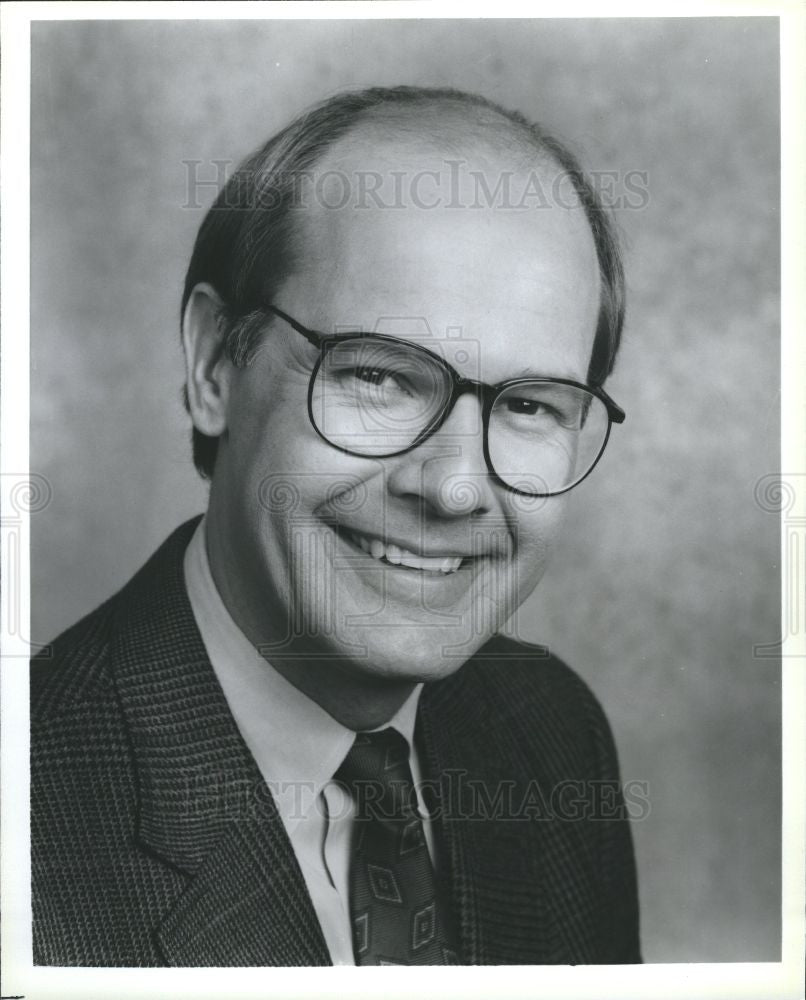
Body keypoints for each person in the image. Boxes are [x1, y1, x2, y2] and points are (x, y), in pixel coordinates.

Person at [31, 85, 641, 967]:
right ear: (213, 365)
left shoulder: (550, 733)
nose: (456, 487)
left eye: (529, 405)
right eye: (381, 378)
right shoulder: (31, 819)